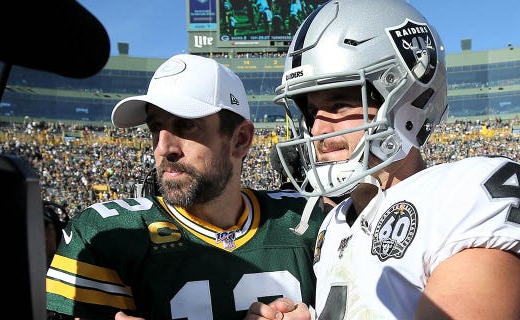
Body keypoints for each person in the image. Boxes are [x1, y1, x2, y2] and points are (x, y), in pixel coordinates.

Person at [246, 0, 520, 318]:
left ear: (406, 99)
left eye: (338, 105)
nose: (318, 130)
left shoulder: (466, 196)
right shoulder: (335, 223)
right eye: (311, 114)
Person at [45, 54, 324, 319]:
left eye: (186, 126)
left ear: (240, 140)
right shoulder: (109, 234)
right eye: (156, 129)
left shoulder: (309, 218)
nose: (163, 148)